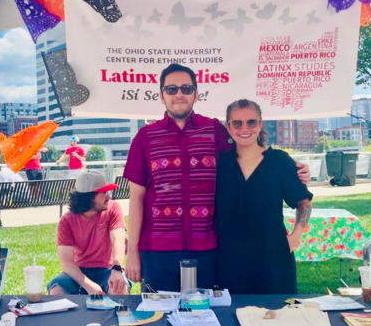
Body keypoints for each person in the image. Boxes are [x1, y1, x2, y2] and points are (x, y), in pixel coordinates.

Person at [123, 64, 311, 292]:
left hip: (208, 250)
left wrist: (296, 170)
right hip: (158, 251)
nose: (179, 94)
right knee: (161, 316)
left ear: (196, 93)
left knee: (207, 314)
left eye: (186, 88)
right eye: (171, 89)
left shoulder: (213, 130)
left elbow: (247, 147)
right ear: (161, 95)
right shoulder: (145, 138)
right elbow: (136, 199)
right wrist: (132, 253)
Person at [215, 99, 314, 294]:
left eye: (251, 122)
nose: (244, 128)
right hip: (229, 260)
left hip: (273, 258)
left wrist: (294, 238)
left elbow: (304, 202)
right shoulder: (220, 164)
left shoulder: (279, 161)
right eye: (237, 123)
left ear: (260, 124)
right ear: (228, 127)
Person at [47, 170, 131, 296]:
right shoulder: (66, 221)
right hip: (79, 271)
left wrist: (117, 268)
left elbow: (118, 240)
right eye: (103, 194)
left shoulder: (113, 208)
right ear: (89, 198)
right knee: (56, 291)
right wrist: (89, 286)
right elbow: (67, 263)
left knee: (119, 291)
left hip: (108, 269)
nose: (108, 197)